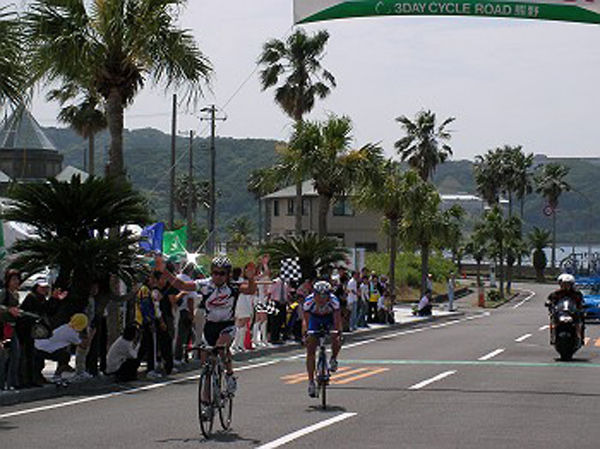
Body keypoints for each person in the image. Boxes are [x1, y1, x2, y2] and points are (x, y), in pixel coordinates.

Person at [156, 255, 256, 396]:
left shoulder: (233, 286)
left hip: (226, 326)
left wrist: (251, 278)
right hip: (209, 326)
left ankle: (229, 375)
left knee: (221, 347)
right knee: (206, 363)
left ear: (227, 274)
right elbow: (182, 285)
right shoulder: (205, 285)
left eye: (222, 273)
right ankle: (207, 400)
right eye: (215, 272)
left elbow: (251, 290)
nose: (218, 276)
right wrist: (164, 272)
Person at [302, 280, 342, 398]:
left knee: (336, 337)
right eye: (318, 295)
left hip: (329, 318)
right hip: (314, 319)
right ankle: (310, 382)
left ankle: (333, 359)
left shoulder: (334, 302)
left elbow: (337, 320)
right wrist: (306, 334)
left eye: (324, 296)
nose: (321, 299)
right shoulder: (309, 302)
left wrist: (337, 333)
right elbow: (306, 321)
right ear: (314, 295)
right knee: (310, 349)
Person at [34, 313, 89, 382]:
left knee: (63, 352)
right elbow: (83, 345)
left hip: (39, 345)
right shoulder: (72, 334)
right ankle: (58, 374)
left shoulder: (65, 327)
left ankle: (41, 377)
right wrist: (90, 334)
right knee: (65, 356)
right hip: (44, 350)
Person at [546, 273, 585, 343]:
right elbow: (550, 300)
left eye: (568, 284)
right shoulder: (556, 293)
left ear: (571, 284)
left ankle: (579, 336)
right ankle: (553, 335)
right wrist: (549, 303)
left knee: (580, 319)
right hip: (560, 312)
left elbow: (581, 302)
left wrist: (581, 306)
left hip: (572, 312)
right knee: (553, 319)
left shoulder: (576, 293)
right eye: (563, 284)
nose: (565, 286)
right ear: (560, 284)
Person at [1, 269, 22, 389]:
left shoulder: (16, 294)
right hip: (3, 328)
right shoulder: (4, 293)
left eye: (17, 279)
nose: (16, 282)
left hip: (12, 328)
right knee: (4, 357)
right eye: (13, 279)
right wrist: (8, 310)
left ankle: (11, 383)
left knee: (15, 355)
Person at [232, 262, 258, 352]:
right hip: (243, 301)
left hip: (243, 301)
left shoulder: (238, 280)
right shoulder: (240, 280)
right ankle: (238, 344)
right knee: (243, 321)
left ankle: (237, 344)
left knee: (240, 323)